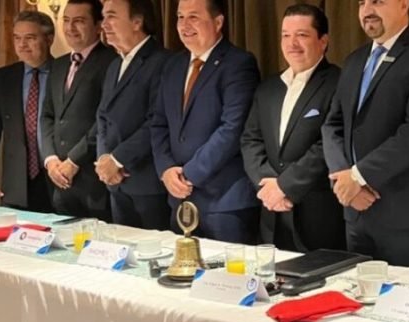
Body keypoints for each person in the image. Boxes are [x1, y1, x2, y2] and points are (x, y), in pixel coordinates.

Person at [322, 0, 409, 266]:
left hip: (406, 216)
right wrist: (343, 179)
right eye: (362, 3)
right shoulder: (354, 60)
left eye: (378, 1)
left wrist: (358, 176)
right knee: (357, 291)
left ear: (404, 4)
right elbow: (332, 125)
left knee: (404, 293)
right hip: (356, 212)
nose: (367, 10)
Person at [150, 0, 260, 243]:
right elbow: (158, 123)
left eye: (193, 17)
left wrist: (188, 174)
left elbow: (233, 128)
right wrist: (166, 170)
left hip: (224, 201)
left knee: (226, 269)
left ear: (218, 22)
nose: (184, 25)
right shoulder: (173, 65)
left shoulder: (238, 63)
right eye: (180, 17)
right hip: (179, 197)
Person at [241, 4, 344, 252]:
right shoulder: (268, 88)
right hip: (271, 211)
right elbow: (250, 140)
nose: (292, 43)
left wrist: (285, 186)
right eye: (286, 35)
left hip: (317, 215)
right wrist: (268, 186)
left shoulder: (339, 82)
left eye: (302, 35)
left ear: (323, 41)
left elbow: (329, 144)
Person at [96, 0, 172, 230]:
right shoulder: (114, 65)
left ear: (137, 22)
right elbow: (102, 117)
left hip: (148, 184)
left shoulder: (163, 61)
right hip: (115, 183)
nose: (104, 24)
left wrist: (117, 159)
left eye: (111, 16)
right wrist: (104, 160)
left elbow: (157, 121)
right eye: (103, 17)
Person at [0, 11, 56, 212]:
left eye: (30, 38)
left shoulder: (66, 72)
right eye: (17, 38)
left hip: (58, 178)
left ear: (49, 39)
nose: (22, 45)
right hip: (17, 184)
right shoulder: (3, 78)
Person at [41, 0, 115, 221]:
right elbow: (47, 116)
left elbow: (104, 120)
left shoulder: (112, 62)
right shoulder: (58, 65)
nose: (70, 28)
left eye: (79, 21)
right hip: (59, 180)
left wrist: (73, 160)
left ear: (98, 25)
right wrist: (50, 160)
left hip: (94, 181)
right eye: (66, 20)